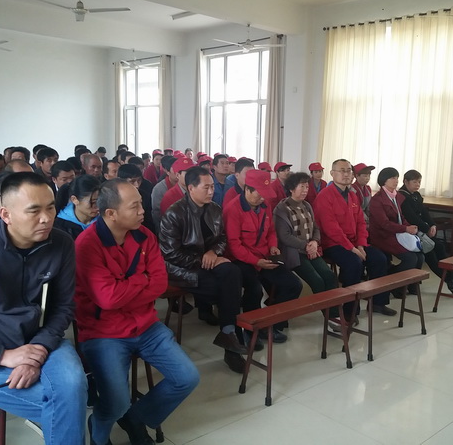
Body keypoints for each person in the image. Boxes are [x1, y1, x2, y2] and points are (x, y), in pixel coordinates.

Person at [0, 172, 87, 445]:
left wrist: (37, 351)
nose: (46, 218)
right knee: (67, 403)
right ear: (5, 214)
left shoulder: (61, 243)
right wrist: (4, 355)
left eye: (51, 208)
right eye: (34, 211)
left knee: (74, 386)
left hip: (43, 342)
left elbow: (63, 306)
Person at [75, 179, 199, 445]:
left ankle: (136, 418)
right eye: (134, 207)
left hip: (146, 325)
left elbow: (160, 284)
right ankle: (99, 431)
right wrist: (141, 280)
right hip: (104, 332)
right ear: (111, 213)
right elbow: (108, 298)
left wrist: (126, 288)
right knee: (116, 402)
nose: (142, 211)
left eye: (141, 204)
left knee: (187, 377)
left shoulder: (145, 236)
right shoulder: (87, 245)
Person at [160, 167, 247, 373]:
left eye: (212, 187)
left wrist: (213, 252)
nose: (211, 191)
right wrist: (203, 260)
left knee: (233, 273)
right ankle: (232, 343)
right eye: (206, 187)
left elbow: (221, 238)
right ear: (191, 188)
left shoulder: (214, 209)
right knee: (227, 293)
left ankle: (229, 336)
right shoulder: (174, 213)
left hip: (207, 262)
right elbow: (170, 254)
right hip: (181, 267)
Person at [223, 169, 302, 345]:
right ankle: (251, 332)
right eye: (259, 194)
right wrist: (256, 261)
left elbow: (271, 231)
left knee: (293, 285)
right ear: (247, 189)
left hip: (264, 256)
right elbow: (234, 246)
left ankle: (271, 324)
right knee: (254, 290)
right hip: (242, 260)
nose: (262, 198)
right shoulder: (233, 210)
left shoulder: (265, 206)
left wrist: (273, 246)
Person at [314, 159, 395, 316]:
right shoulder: (324, 196)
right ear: (332, 173)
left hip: (354, 242)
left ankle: (378, 303)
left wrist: (360, 245)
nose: (346, 174)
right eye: (342, 171)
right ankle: (349, 311)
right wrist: (352, 248)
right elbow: (331, 229)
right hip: (333, 243)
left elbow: (360, 223)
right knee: (354, 263)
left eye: (349, 171)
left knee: (380, 259)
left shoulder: (352, 195)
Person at [398, 170, 453, 293]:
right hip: (410, 232)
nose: (417, 184)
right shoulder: (402, 196)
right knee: (430, 253)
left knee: (439, 246)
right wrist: (427, 229)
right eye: (414, 182)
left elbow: (424, 212)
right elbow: (412, 218)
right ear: (406, 181)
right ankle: (452, 280)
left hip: (421, 231)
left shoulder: (416, 195)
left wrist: (432, 225)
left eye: (419, 182)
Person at [273, 172, 337, 301]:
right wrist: (306, 245)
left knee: (329, 276)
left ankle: (332, 309)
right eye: (301, 186)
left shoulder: (307, 205)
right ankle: (327, 310)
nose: (305, 190)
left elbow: (315, 227)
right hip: (294, 253)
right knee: (317, 281)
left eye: (307, 187)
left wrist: (315, 242)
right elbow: (284, 236)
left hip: (311, 250)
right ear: (291, 188)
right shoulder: (282, 208)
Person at [368, 167, 424, 295]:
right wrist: (405, 228)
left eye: (397, 178)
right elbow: (384, 224)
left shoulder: (396, 196)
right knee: (410, 258)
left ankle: (411, 285)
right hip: (383, 236)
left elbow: (401, 217)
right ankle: (394, 284)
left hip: (397, 233)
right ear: (384, 180)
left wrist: (409, 227)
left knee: (420, 256)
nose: (396, 181)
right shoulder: (377, 199)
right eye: (392, 178)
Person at [54, 175, 100, 240]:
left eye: (100, 201)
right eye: (93, 202)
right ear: (74, 200)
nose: (98, 207)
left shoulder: (105, 219)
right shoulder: (60, 227)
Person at [150, 156, 178, 229]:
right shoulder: (159, 189)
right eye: (175, 170)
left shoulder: (187, 185)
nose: (178, 173)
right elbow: (157, 213)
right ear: (167, 172)